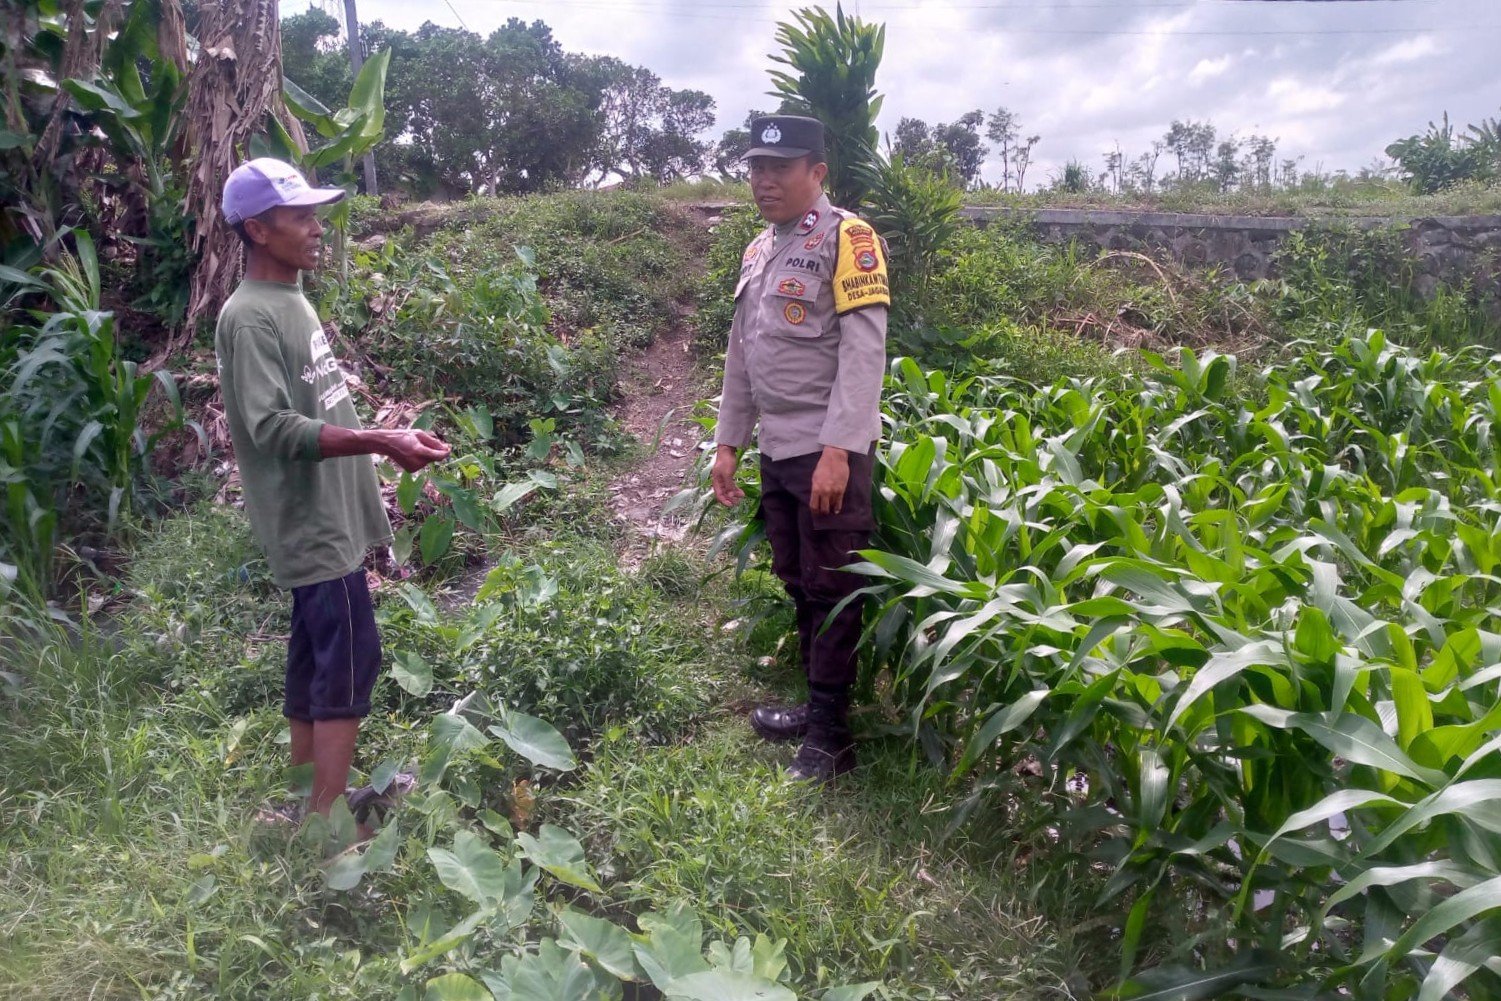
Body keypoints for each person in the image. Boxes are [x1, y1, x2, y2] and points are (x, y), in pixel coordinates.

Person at [214, 158, 450, 830]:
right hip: (307, 521)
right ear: (258, 229)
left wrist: (385, 440)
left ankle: (305, 804)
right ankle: (327, 824)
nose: (318, 229)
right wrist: (383, 439)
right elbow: (269, 426)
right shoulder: (251, 316)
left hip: (328, 517)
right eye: (301, 217)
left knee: (314, 656)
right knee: (350, 659)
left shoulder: (289, 298)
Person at [710, 115, 890, 783]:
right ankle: (815, 711)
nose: (763, 180)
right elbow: (742, 352)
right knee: (797, 580)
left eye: (778, 168)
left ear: (816, 172)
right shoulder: (760, 249)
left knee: (833, 586)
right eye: (755, 166)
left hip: (825, 447)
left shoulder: (850, 239)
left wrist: (841, 449)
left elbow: (863, 352)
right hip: (777, 447)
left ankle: (833, 736)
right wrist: (729, 440)